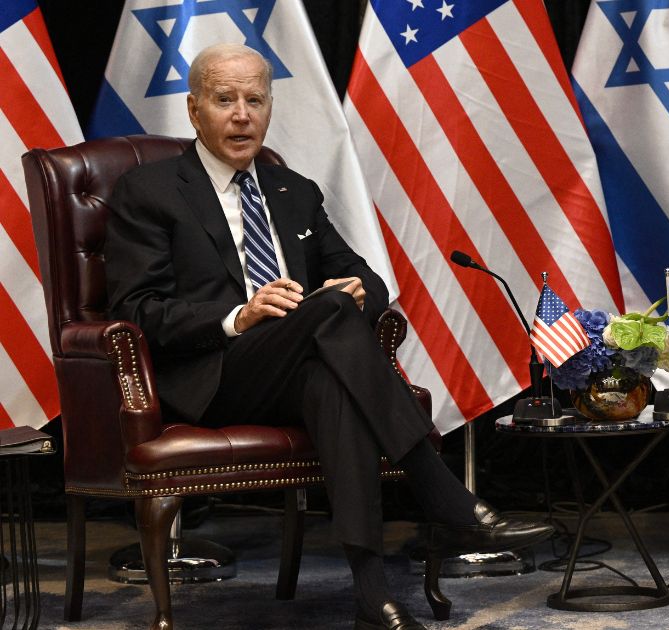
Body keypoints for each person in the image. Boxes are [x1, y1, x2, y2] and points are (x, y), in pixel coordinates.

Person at [104, 43, 553, 630]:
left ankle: (373, 597)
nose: (242, 114)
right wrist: (239, 316)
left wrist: (357, 292)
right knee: (331, 312)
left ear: (269, 109)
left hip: (293, 370)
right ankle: (440, 490)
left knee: (330, 377)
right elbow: (137, 311)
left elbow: (365, 277)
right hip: (214, 374)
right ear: (194, 111)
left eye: (255, 100)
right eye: (224, 100)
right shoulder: (150, 190)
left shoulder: (294, 191)